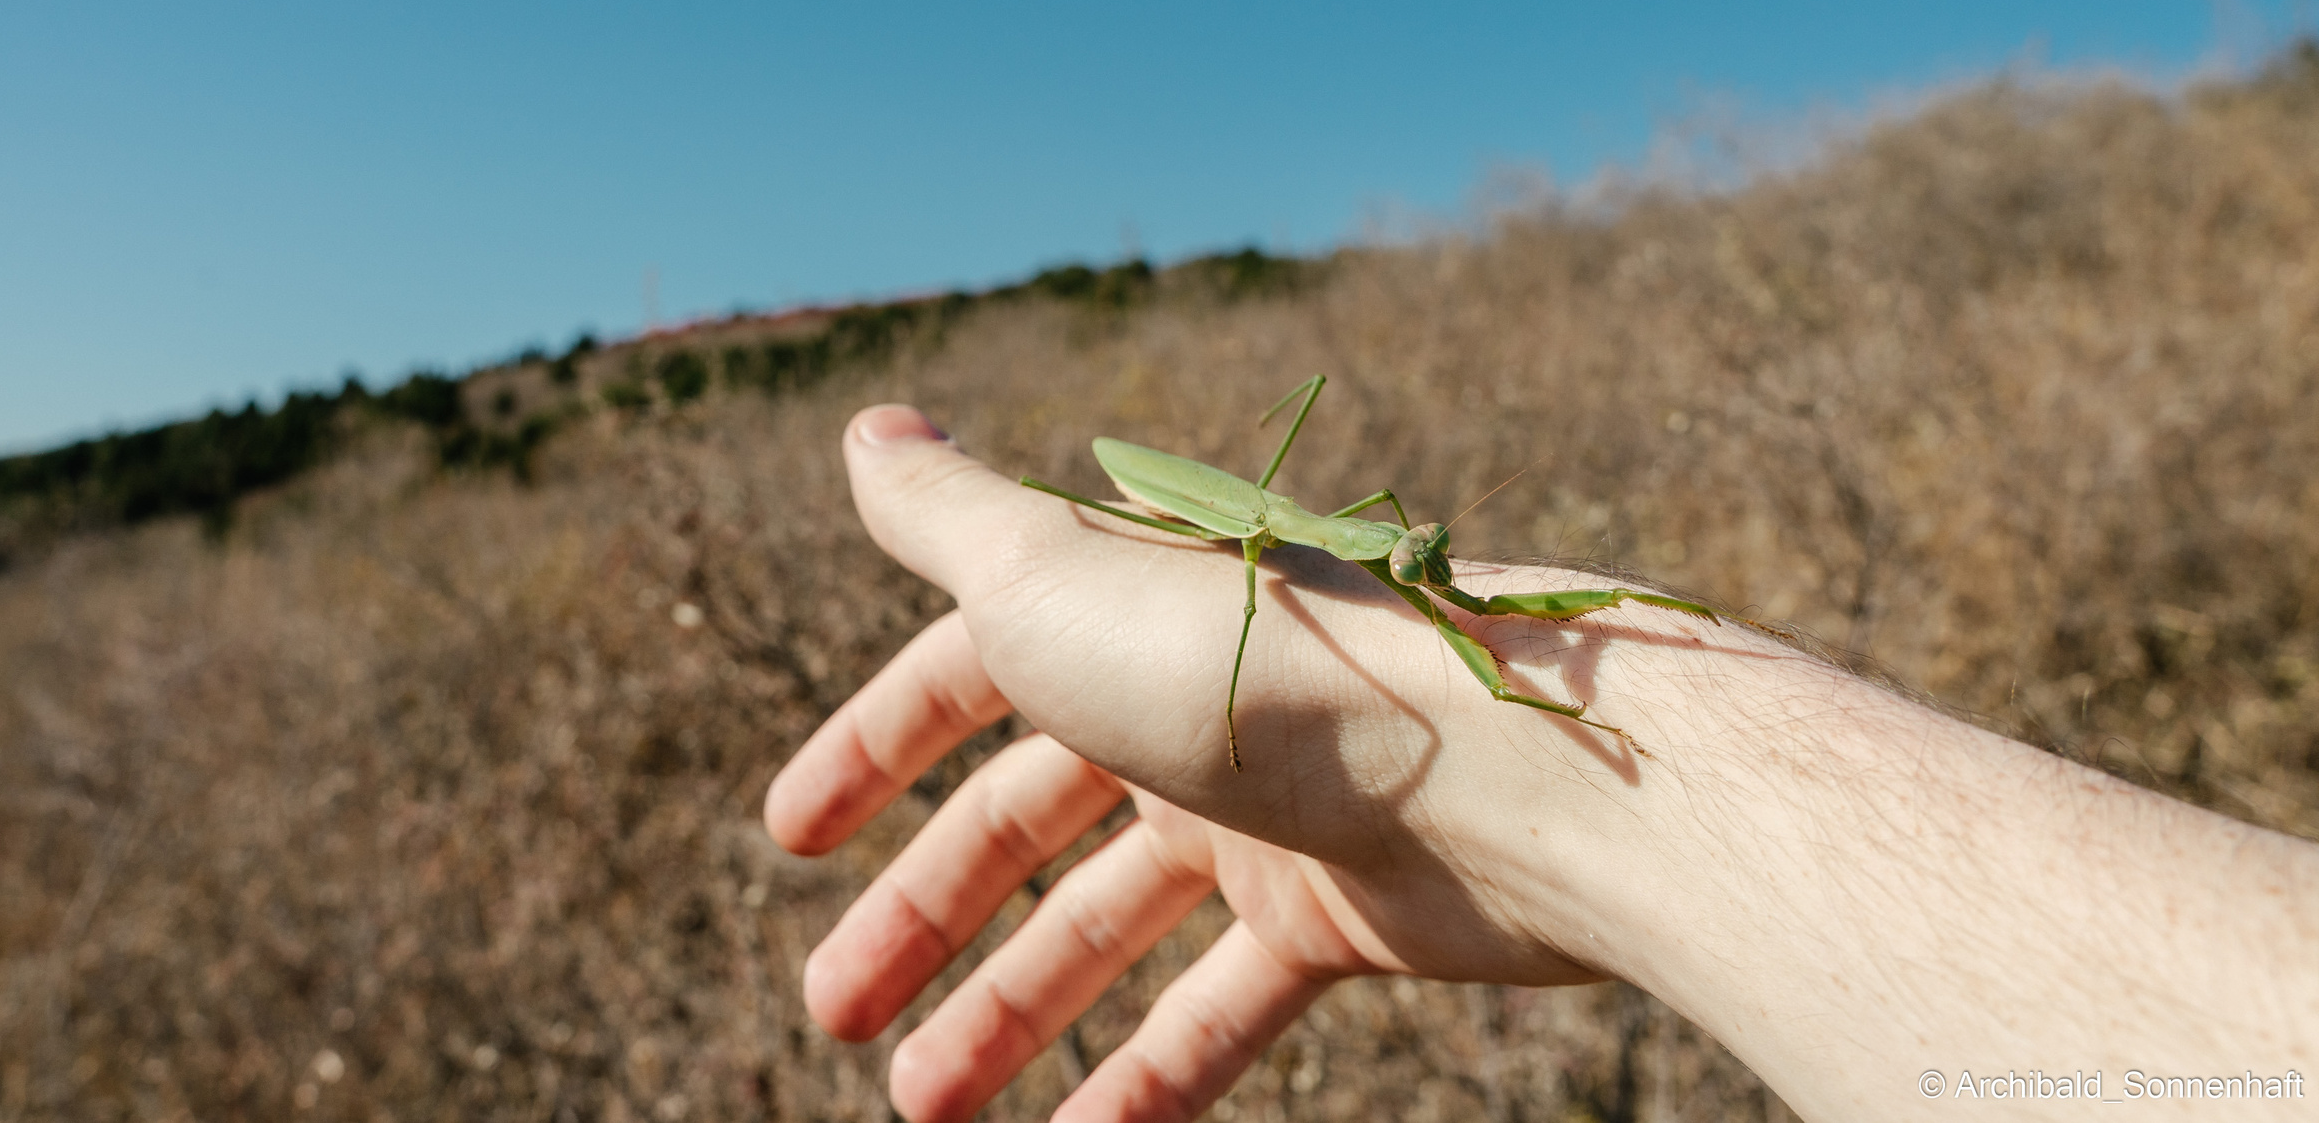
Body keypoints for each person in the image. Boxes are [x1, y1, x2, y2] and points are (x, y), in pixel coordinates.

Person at [765, 407, 2319, 1122]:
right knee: (1251, 562)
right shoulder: (1277, 560)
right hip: (1199, 513)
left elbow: (1432, 612)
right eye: (1425, 548)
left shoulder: (1395, 567)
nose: (1433, 552)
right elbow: (1272, 610)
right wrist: (1246, 701)